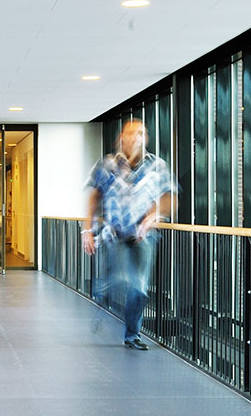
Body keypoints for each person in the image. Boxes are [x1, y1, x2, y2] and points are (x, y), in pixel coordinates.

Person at [83, 119, 175, 351]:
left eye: (142, 133)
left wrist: (153, 216)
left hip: (143, 236)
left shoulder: (157, 166)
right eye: (132, 133)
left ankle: (132, 335)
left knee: (139, 288)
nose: (137, 137)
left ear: (146, 138)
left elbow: (169, 197)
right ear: (121, 138)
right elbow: (94, 196)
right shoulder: (107, 165)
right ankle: (102, 295)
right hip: (114, 233)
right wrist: (87, 229)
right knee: (113, 280)